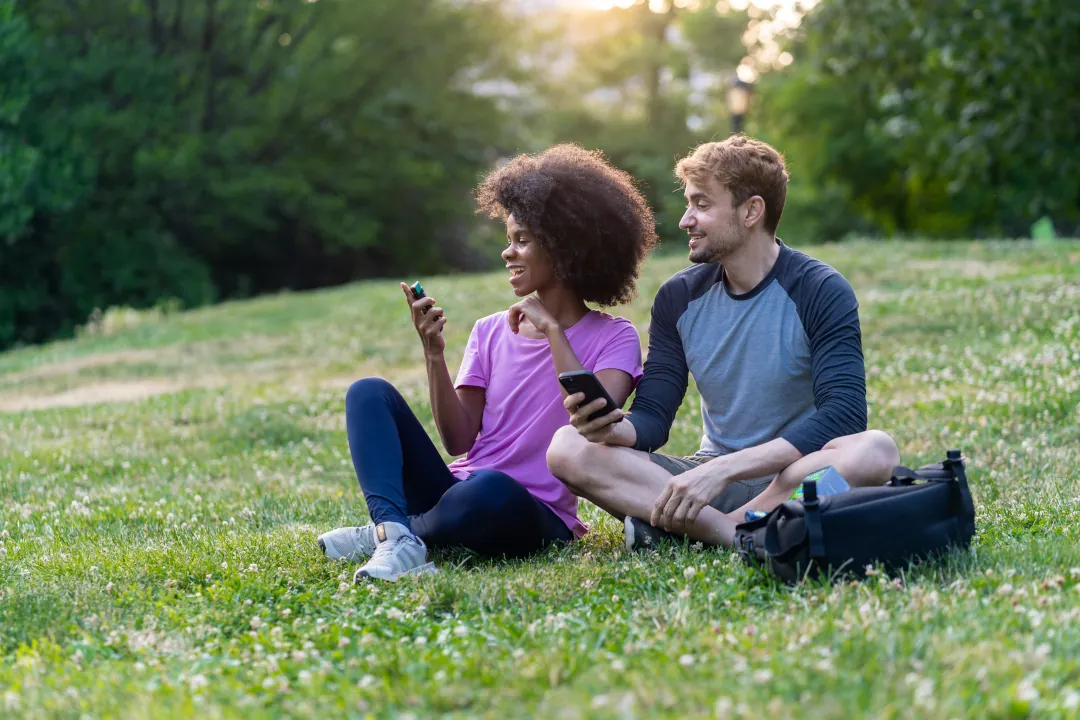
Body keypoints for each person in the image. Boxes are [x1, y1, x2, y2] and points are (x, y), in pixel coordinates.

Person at [318, 144, 657, 581]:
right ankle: (395, 532)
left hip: (532, 513)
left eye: (523, 240)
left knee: (491, 490)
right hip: (458, 491)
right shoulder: (490, 330)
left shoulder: (615, 337)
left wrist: (554, 331)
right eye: (507, 239)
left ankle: (397, 535)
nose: (507, 253)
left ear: (566, 246)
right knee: (367, 393)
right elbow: (459, 440)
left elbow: (594, 421)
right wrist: (433, 354)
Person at [546, 135, 900, 551]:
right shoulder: (678, 298)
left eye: (702, 204)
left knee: (875, 451)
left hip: (800, 477)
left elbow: (844, 416)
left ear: (751, 211)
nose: (685, 220)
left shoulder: (820, 289)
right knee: (568, 448)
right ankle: (738, 535)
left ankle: (699, 533)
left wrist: (726, 469)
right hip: (706, 480)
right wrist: (615, 429)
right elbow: (653, 418)